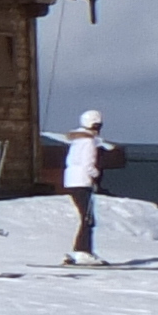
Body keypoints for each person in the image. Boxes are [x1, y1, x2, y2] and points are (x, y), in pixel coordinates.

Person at [58, 110, 112, 265]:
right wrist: (95, 174)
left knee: (86, 217)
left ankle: (80, 250)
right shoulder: (88, 142)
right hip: (83, 181)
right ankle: (83, 251)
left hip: (72, 181)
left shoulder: (77, 141)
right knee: (88, 219)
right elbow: (88, 163)